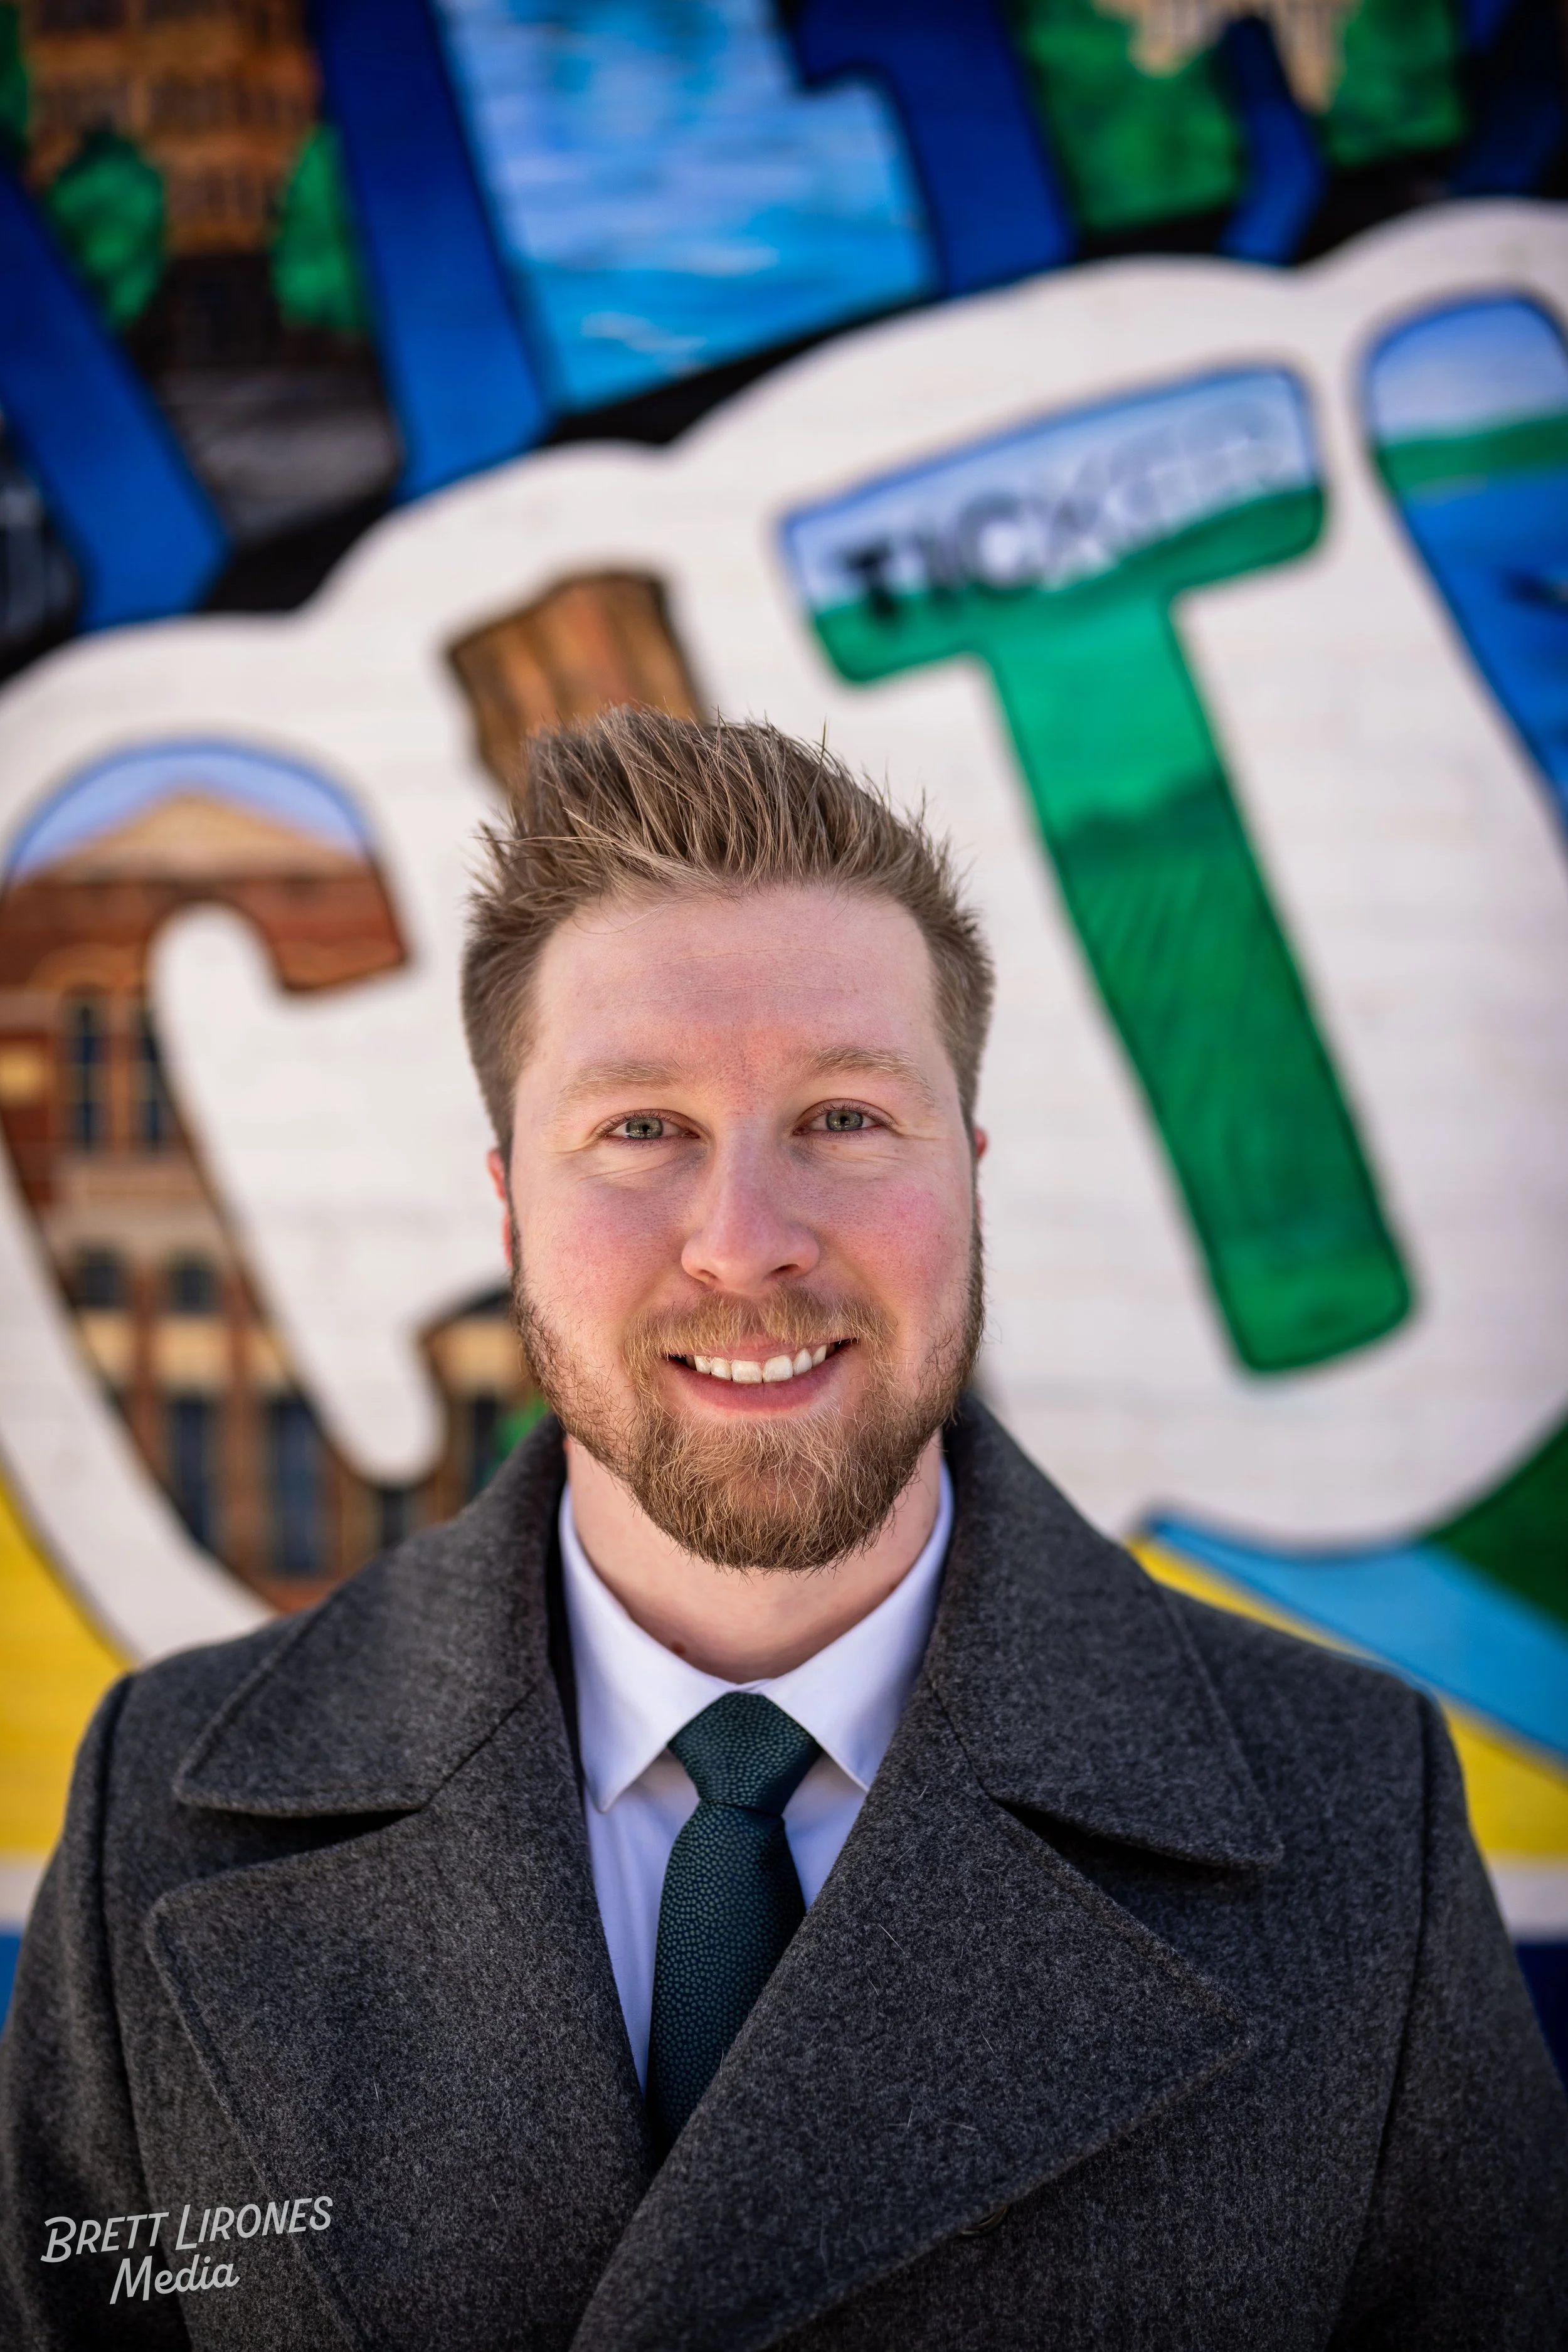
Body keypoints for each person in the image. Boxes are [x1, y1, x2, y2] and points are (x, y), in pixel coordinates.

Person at [1, 711, 1564, 2351]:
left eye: (841, 1118)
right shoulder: (160, 1810)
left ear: (966, 1172)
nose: (744, 1242)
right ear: (509, 1203)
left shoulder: (1346, 1816)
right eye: (640, 1128)